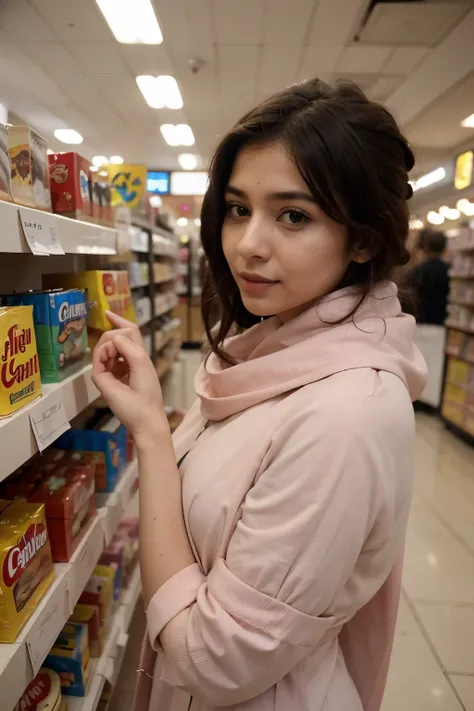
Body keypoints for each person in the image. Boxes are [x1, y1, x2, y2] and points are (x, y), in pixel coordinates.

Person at [92, 78, 427, 711]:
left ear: (362, 240)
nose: (247, 243)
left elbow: (215, 660)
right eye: (239, 208)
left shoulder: (343, 415)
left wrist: (152, 438)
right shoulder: (271, 354)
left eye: (293, 215)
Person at [408, 229, 449, 409]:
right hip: (440, 325)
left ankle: (414, 399)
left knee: (417, 360)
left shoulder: (418, 270)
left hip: (419, 323)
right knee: (434, 364)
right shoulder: (449, 271)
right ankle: (430, 402)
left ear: (425, 247)